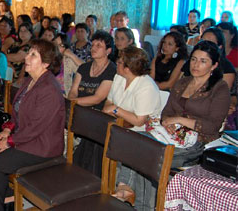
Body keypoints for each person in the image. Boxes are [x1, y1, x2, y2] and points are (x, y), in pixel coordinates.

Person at [0, 39, 65, 210]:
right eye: (29, 52)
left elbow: (36, 127)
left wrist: (9, 142)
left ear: (46, 63)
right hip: (25, 138)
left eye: (33, 55)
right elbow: (18, 113)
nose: (27, 57)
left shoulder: (48, 89)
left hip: (42, 147)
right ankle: (7, 197)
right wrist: (7, 131)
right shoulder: (29, 80)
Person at [102, 46, 161, 210]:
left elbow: (140, 120)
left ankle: (124, 186)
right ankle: (118, 184)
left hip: (147, 132)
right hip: (123, 125)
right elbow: (107, 103)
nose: (116, 64)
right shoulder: (119, 78)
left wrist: (117, 110)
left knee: (129, 141)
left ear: (127, 68)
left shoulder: (146, 86)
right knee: (115, 134)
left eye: (120, 62)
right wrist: (115, 110)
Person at [161, 41, 230, 167]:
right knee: (137, 142)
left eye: (203, 61)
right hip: (173, 134)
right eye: (194, 59)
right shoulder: (182, 83)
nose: (196, 65)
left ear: (214, 65)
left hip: (200, 142)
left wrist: (179, 120)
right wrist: (166, 122)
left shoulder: (220, 88)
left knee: (154, 154)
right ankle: (124, 186)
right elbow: (167, 111)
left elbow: (213, 126)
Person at [68, 30, 117, 177]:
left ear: (108, 51)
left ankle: (86, 174)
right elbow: (73, 91)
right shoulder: (84, 67)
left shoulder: (111, 70)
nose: (93, 48)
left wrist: (73, 103)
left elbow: (98, 98)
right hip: (80, 110)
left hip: (98, 114)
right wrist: (72, 101)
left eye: (99, 45)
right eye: (93, 44)